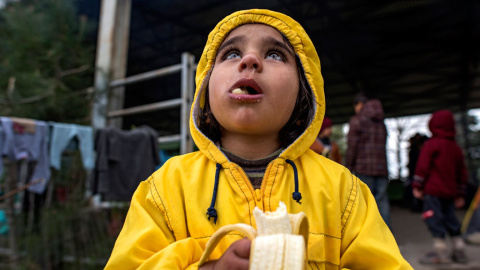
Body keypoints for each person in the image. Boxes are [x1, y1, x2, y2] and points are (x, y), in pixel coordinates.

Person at [105, 9, 412, 269]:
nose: (250, 60)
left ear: (304, 97)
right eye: (232, 53)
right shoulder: (164, 189)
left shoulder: (345, 191)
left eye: (275, 54)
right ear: (205, 91)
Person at [413, 109, 468, 264]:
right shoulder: (455, 148)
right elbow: (462, 172)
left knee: (433, 218)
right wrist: (460, 193)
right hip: (450, 192)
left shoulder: (431, 144)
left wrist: (417, 184)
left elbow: (423, 166)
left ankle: (440, 251)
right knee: (451, 218)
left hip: (433, 191)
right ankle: (459, 248)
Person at [345, 93, 391, 228]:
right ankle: (387, 235)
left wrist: (348, 167)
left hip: (363, 168)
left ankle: (370, 236)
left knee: (365, 202)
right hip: (381, 168)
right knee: (382, 201)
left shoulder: (357, 120)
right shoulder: (381, 122)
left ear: (359, 104)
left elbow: (352, 146)